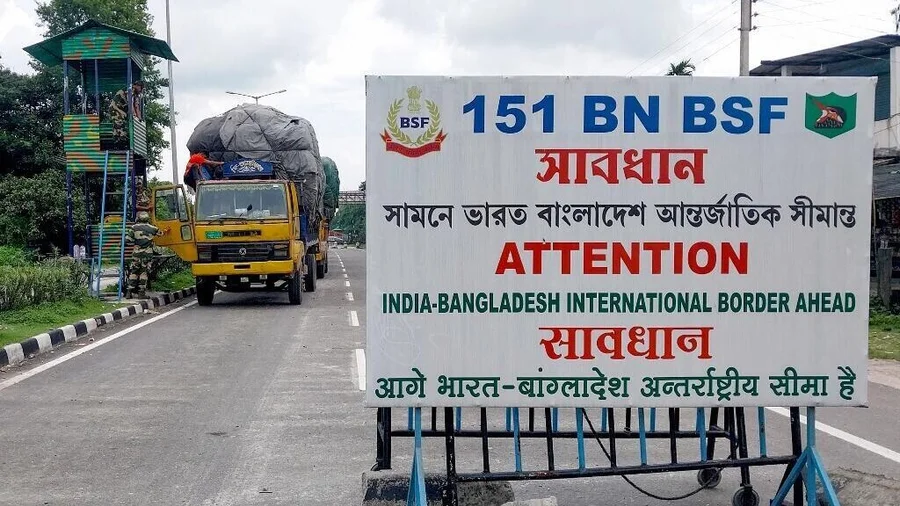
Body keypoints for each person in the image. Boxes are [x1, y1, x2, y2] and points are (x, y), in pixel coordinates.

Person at [125, 211, 164, 299]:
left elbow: (128, 240)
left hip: (136, 254)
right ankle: (141, 293)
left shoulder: (134, 228)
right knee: (144, 273)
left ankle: (129, 292)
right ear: (147, 219)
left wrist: (121, 243)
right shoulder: (153, 228)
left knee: (134, 272)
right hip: (147, 255)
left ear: (139, 219)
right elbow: (161, 234)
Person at [109, 80, 143, 149]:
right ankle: (119, 141)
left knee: (120, 123)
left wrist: (139, 119)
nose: (141, 90)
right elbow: (131, 105)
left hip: (121, 109)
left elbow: (136, 107)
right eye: (140, 88)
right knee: (120, 123)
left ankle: (118, 141)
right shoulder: (130, 91)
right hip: (115, 108)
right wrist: (134, 115)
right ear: (136, 86)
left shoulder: (136, 94)